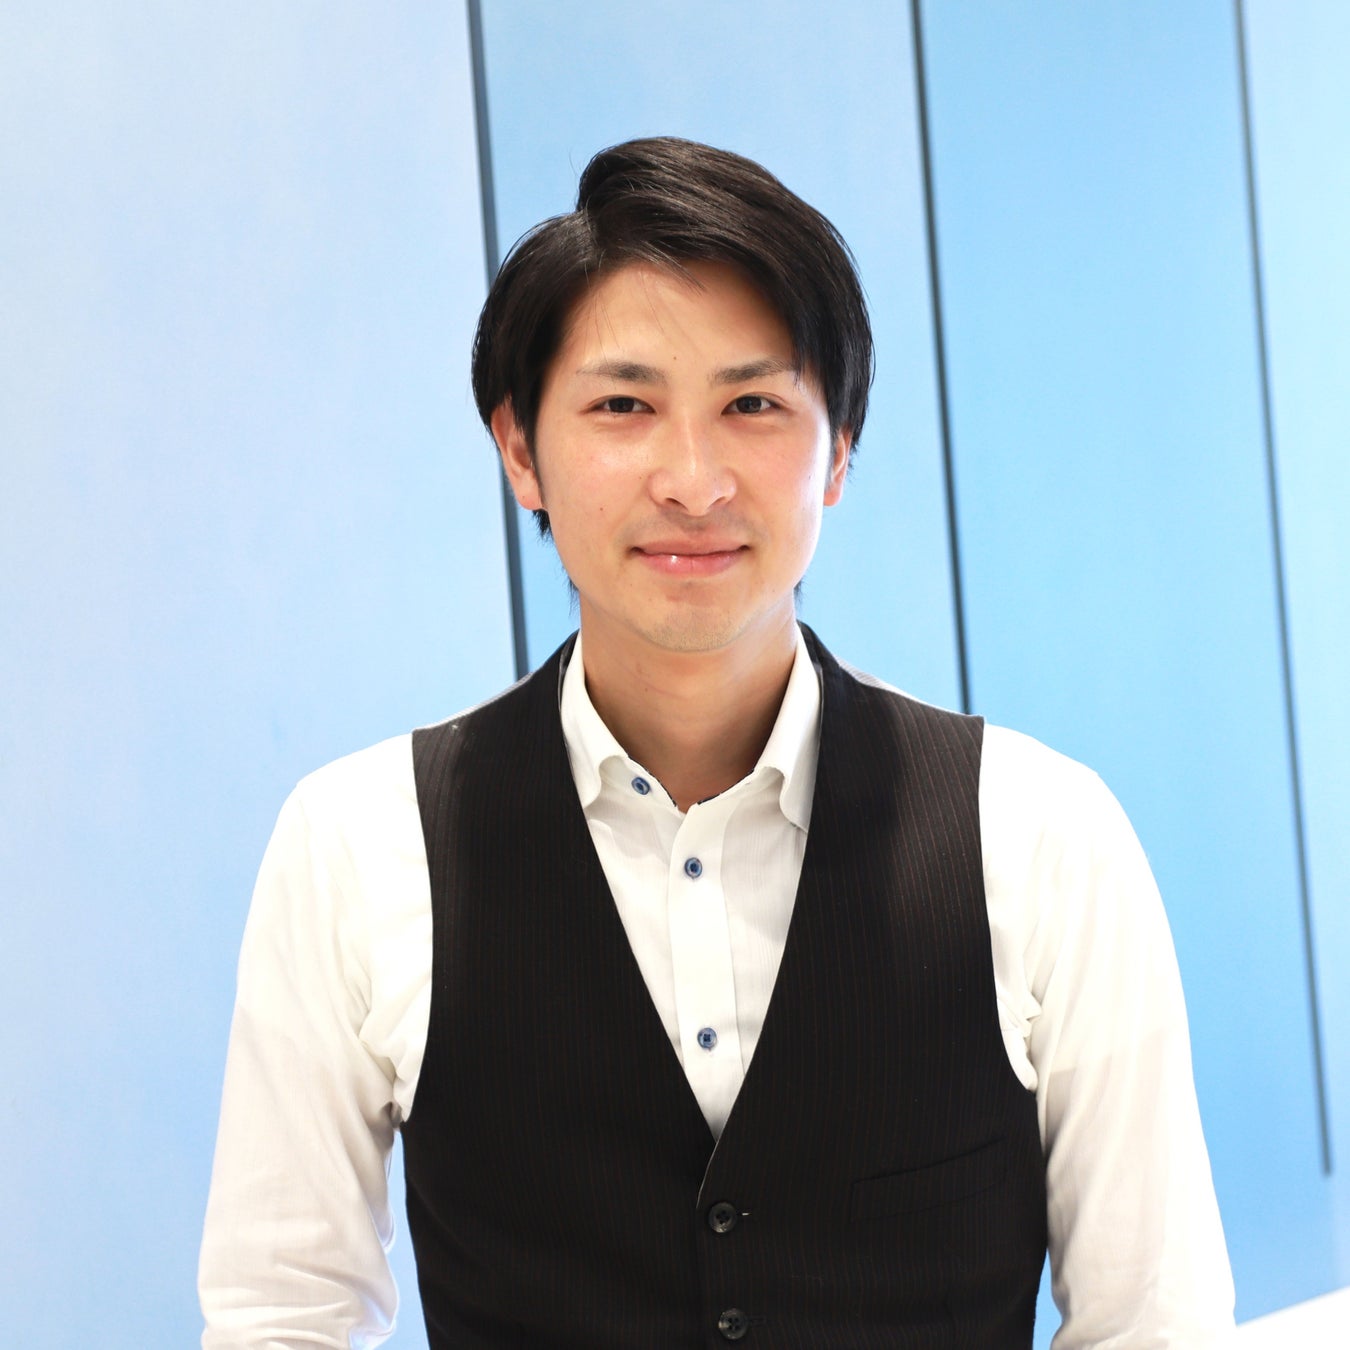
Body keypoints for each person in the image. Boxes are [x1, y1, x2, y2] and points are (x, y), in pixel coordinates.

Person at [199, 137, 1236, 1348]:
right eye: (623, 406)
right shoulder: (356, 846)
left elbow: (1155, 1322)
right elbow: (284, 1312)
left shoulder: (1043, 837)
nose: (692, 483)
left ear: (838, 448)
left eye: (752, 405)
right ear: (520, 450)